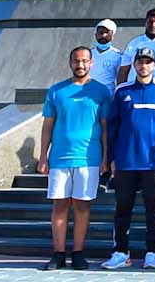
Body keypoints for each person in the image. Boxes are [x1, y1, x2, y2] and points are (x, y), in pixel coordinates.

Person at [101, 48, 155, 270]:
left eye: (148, 62)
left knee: (153, 210)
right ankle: (120, 252)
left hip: (153, 162)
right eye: (140, 62)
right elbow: (113, 127)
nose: (144, 66)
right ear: (134, 65)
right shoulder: (122, 90)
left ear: (154, 65)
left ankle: (152, 252)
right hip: (125, 161)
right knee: (122, 209)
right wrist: (112, 158)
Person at [39, 46, 111, 272]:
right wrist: (43, 156)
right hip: (60, 158)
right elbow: (47, 126)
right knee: (60, 205)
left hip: (89, 158)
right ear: (70, 63)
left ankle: (78, 253)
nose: (80, 65)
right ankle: (58, 254)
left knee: (82, 206)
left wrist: (106, 158)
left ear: (92, 63)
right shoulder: (56, 90)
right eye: (76, 61)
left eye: (84, 61)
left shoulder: (101, 92)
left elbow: (106, 127)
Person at [117, 9, 155, 89]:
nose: (153, 25)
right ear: (145, 23)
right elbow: (124, 70)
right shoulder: (134, 43)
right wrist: (120, 89)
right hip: (134, 90)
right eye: (150, 22)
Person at [86, 19, 123, 91]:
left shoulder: (118, 56)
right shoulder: (88, 54)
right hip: (87, 92)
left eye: (107, 32)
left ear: (112, 35)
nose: (103, 35)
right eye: (100, 32)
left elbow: (121, 78)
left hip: (108, 96)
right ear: (96, 34)